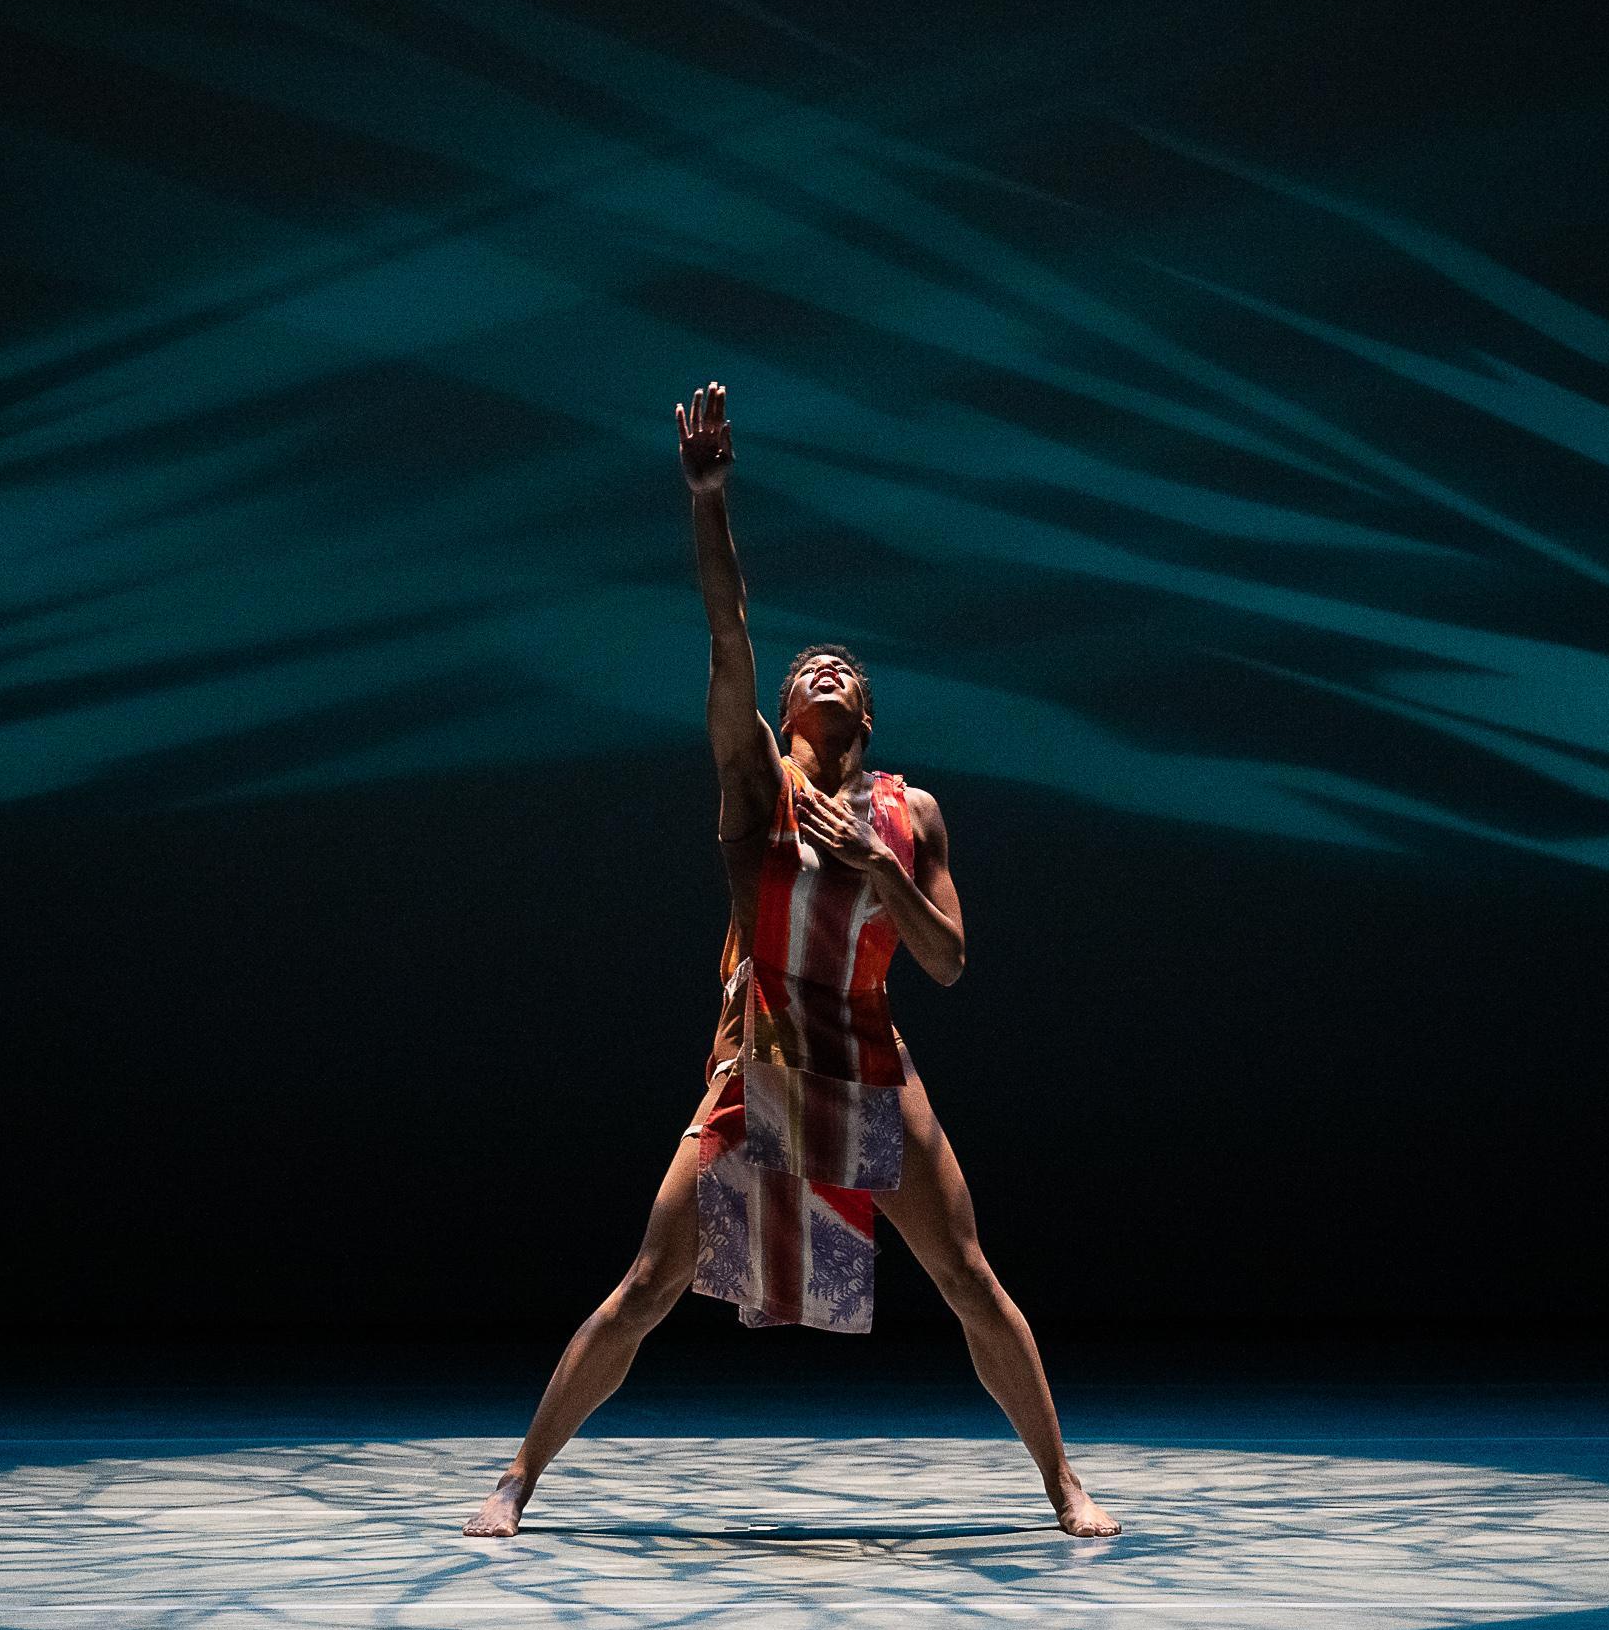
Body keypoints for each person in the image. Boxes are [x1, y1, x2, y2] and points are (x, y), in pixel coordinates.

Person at [464, 382, 1119, 1539]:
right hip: (758, 1051)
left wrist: (879, 865)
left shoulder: (911, 813)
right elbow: (729, 627)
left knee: (966, 1271)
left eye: (840, 667)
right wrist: (708, 502)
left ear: (868, 714)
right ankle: (519, 1474)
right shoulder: (755, 789)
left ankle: (1062, 1480)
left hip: (864, 1052)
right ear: (779, 713)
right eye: (802, 667)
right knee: (651, 1282)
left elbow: (952, 958)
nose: (820, 665)